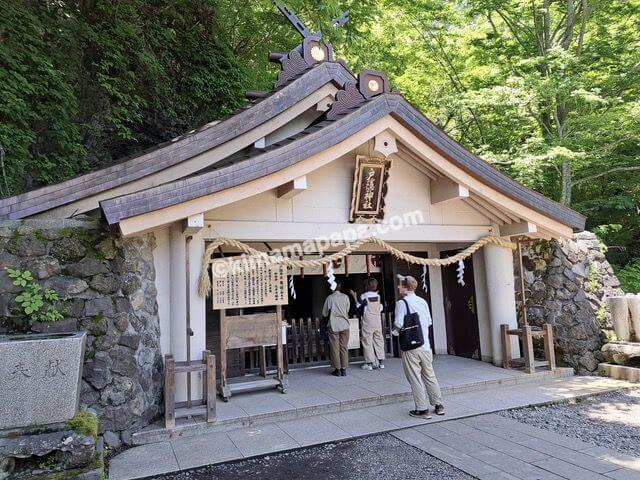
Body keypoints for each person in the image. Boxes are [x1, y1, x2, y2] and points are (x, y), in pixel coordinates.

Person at [393, 275, 445, 419]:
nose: (398, 287)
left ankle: (422, 409)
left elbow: (399, 323)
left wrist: (393, 333)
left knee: (415, 377)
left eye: (400, 285)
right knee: (429, 375)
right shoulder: (422, 301)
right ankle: (438, 405)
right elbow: (428, 322)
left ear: (406, 287)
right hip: (425, 345)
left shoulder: (402, 303)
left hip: (411, 347)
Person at [350, 277, 385, 370]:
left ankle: (369, 363)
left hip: (367, 322)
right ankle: (381, 362)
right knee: (379, 340)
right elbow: (381, 308)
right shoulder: (378, 296)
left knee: (367, 341)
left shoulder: (363, 296)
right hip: (377, 321)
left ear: (366, 286)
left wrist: (354, 297)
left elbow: (359, 309)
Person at [322, 281, 351, 377]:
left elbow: (325, 313)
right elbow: (348, 309)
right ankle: (344, 369)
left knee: (335, 348)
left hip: (334, 325)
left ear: (332, 288)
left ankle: (337, 369)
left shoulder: (330, 298)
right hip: (345, 324)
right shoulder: (346, 297)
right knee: (344, 347)